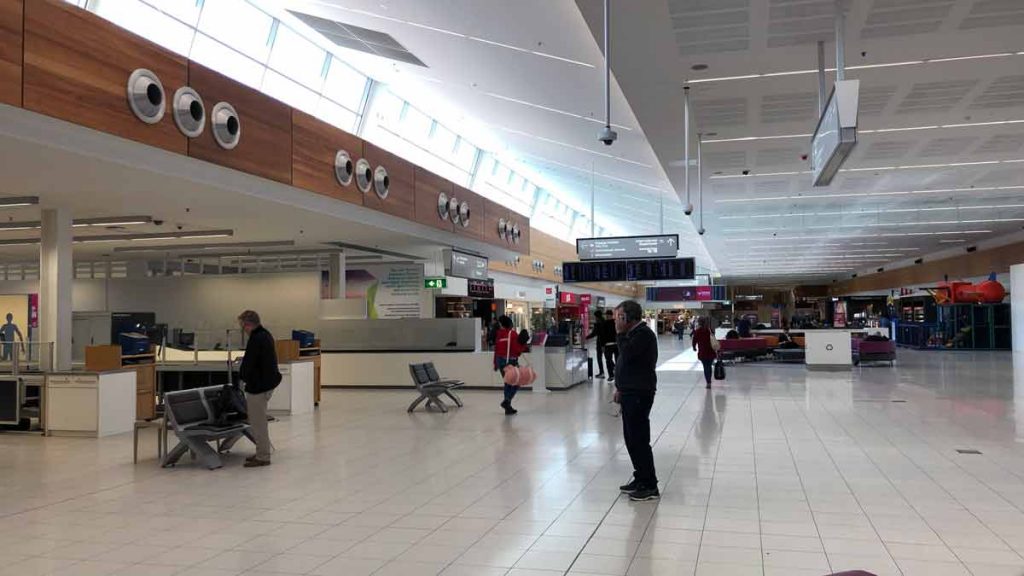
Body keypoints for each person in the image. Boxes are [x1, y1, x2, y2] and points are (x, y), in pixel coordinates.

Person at [612, 300, 659, 501]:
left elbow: (628, 354)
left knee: (639, 439)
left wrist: (621, 333)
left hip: (639, 393)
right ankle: (640, 477)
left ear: (628, 317)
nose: (616, 320)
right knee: (631, 438)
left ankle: (650, 485)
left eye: (619, 317)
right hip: (630, 391)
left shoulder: (643, 335)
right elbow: (626, 363)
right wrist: (620, 388)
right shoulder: (634, 334)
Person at [237, 310, 281, 468]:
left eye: (243, 325)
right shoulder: (265, 335)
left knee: (258, 422)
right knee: (259, 421)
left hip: (259, 387)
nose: (243, 329)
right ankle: (261, 451)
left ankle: (263, 456)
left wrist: (243, 376)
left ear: (247, 324)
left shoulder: (256, 338)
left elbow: (250, 363)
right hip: (267, 383)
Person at [494, 315, 524, 415]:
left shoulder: (499, 334)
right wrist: (523, 344)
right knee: (518, 381)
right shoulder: (513, 334)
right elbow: (517, 351)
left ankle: (508, 407)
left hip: (500, 361)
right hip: (510, 362)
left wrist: (495, 363)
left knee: (508, 383)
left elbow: (496, 350)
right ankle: (507, 401)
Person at [692, 317, 717, 390]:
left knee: (705, 367)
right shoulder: (709, 330)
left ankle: (708, 382)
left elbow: (694, 340)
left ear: (699, 323)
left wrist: (694, 347)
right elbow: (714, 338)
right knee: (709, 366)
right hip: (711, 351)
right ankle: (709, 381)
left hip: (703, 352)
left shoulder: (697, 331)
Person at [585, 311, 608, 378]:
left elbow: (594, 333)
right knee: (607, 358)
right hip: (606, 342)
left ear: (596, 316)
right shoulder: (605, 322)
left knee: (599, 358)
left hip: (600, 342)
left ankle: (602, 372)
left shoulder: (598, 323)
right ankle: (613, 369)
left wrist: (586, 337)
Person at [602, 309, 618, 381]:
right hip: (610, 344)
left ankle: (614, 375)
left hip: (614, 344)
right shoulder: (615, 322)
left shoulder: (614, 322)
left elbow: (603, 335)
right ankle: (612, 375)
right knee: (609, 360)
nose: (607, 316)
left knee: (612, 360)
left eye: (608, 315)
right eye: (607, 315)